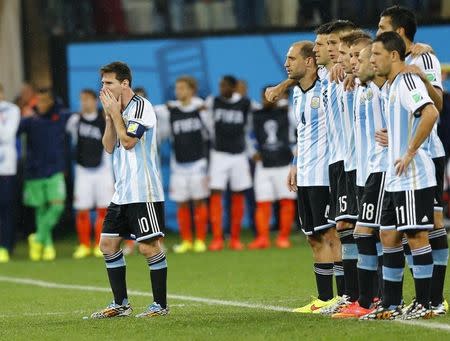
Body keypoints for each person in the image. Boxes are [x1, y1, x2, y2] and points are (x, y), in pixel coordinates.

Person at [376, 5, 448, 315]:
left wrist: (419, 74)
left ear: (398, 32)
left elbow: (436, 106)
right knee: (393, 233)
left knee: (427, 227)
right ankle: (395, 302)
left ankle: (432, 300)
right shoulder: (389, 72)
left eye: (382, 27)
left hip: (425, 155)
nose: (376, 33)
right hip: (400, 162)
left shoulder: (422, 61)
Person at [361, 31, 439, 320]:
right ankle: (391, 304)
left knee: (417, 236)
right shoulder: (390, 86)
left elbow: (429, 113)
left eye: (376, 54)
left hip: (413, 174)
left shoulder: (406, 81)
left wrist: (408, 151)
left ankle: (425, 303)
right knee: (389, 235)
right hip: (396, 175)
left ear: (393, 55)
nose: (372, 60)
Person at [90, 61, 168, 318]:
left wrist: (115, 115)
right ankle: (120, 304)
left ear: (125, 83)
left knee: (148, 248)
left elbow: (129, 142)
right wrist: (111, 117)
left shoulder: (142, 107)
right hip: (122, 191)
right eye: (102, 83)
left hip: (143, 190)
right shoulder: (115, 109)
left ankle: (160, 305)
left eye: (109, 83)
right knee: (108, 244)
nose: (104, 88)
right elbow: (110, 146)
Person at [333, 35, 389, 318]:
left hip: (380, 170)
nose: (350, 61)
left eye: (356, 56)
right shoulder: (359, 88)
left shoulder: (380, 88)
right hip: (363, 171)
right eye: (349, 56)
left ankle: (372, 300)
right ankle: (374, 299)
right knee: (374, 235)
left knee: (369, 234)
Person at [284, 38, 337, 313]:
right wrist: (294, 163)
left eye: (291, 59)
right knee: (312, 237)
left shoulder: (327, 85)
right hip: (305, 173)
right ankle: (325, 299)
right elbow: (302, 132)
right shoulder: (297, 93)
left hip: (325, 173)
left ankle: (345, 298)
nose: (286, 64)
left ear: (309, 62)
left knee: (331, 235)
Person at [155, 76, 209, 254]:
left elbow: (210, 130)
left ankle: (200, 240)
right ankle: (186, 240)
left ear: (192, 90)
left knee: (199, 201)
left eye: (183, 88)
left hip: (198, 163)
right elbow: (156, 115)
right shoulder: (170, 110)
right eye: (177, 88)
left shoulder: (201, 108)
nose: (179, 92)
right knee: (182, 203)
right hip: (178, 164)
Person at [19, 88, 69, 261]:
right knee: (41, 210)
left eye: (44, 101)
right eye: (38, 101)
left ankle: (38, 238)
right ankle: (46, 247)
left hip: (55, 170)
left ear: (51, 102)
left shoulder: (61, 117)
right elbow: (13, 132)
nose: (40, 104)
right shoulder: (29, 120)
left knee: (57, 206)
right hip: (35, 172)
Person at [66, 89, 114, 259]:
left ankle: (100, 245)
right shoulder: (75, 121)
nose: (84, 103)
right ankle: (84, 245)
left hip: (102, 170)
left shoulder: (104, 119)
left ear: (95, 101)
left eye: (87, 99)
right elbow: (71, 141)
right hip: (83, 171)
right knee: (82, 210)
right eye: (82, 100)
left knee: (103, 209)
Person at [206, 75, 252, 251]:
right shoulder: (213, 101)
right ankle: (217, 238)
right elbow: (207, 121)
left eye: (225, 85)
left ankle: (235, 238)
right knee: (216, 194)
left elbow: (251, 126)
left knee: (238, 195)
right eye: (220, 85)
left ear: (234, 87)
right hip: (219, 154)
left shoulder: (245, 104)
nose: (221, 88)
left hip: (239, 155)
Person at [247, 86, 296, 249]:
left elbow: (300, 128)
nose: (268, 98)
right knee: (262, 202)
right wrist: (252, 151)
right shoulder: (256, 115)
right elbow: (246, 134)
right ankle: (262, 238)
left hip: (284, 163)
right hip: (264, 164)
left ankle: (283, 237)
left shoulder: (288, 112)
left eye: (272, 95)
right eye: (265, 96)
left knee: (286, 201)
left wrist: (295, 150)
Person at [0, 83, 20, 263]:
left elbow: (7, 135)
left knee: (6, 207)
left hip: (6, 167)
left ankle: (6, 246)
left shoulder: (12, 110)